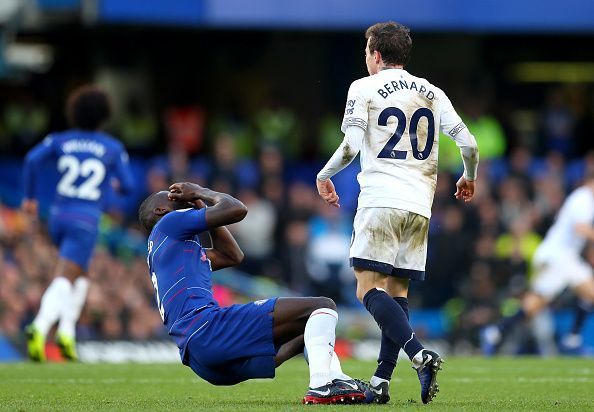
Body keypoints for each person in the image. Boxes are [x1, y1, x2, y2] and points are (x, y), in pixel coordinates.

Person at [316, 21, 479, 404]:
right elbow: (468, 144)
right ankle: (381, 382)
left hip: (380, 200)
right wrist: (469, 178)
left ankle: (419, 354)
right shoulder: (433, 92)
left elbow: (351, 145)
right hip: (420, 205)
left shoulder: (364, 86)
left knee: (366, 288)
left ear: (375, 55)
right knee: (397, 291)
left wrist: (324, 175)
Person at [138, 182, 366, 404]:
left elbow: (232, 256)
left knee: (308, 328)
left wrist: (199, 204)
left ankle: (337, 380)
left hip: (201, 359)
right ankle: (321, 385)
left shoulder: (169, 249)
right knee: (323, 306)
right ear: (161, 210)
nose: (176, 197)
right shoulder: (168, 224)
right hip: (209, 329)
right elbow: (237, 209)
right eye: (168, 197)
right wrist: (202, 192)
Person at [23, 85, 134, 361]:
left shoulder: (59, 140)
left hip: (58, 216)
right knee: (66, 276)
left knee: (81, 275)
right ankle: (39, 326)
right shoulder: (111, 147)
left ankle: (67, 335)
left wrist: (29, 198)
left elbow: (31, 160)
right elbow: (129, 186)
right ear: (104, 116)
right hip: (85, 219)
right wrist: (114, 183)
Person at [481, 175, 594, 355]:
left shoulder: (583, 197)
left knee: (533, 305)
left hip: (562, 257)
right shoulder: (584, 198)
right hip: (559, 257)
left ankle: (496, 332)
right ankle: (573, 338)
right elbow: (580, 228)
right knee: (587, 292)